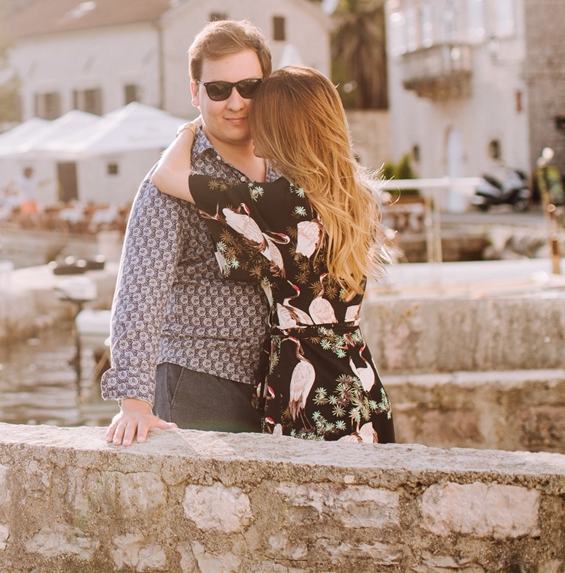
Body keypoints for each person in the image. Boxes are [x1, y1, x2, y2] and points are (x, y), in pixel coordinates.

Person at [151, 66, 394, 443]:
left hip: (310, 383)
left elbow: (166, 175)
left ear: (282, 129)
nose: (249, 124)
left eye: (260, 118)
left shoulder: (279, 203)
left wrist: (192, 126)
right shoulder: (356, 196)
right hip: (357, 376)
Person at [103, 19, 274, 446]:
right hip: (199, 380)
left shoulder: (286, 166)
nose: (236, 102)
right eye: (219, 90)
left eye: (249, 87)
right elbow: (140, 290)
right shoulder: (168, 184)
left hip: (278, 382)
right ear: (196, 92)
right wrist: (134, 403)